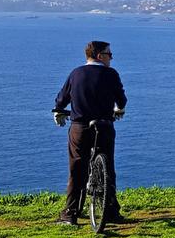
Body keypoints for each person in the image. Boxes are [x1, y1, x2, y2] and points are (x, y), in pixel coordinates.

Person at [53, 40, 127, 225]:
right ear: (100, 56)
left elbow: (61, 99)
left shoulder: (76, 73)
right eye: (109, 54)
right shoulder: (111, 74)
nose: (111, 57)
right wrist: (118, 108)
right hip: (104, 125)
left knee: (77, 168)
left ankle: (70, 213)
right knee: (108, 167)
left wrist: (59, 110)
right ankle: (110, 211)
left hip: (80, 127)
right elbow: (122, 100)